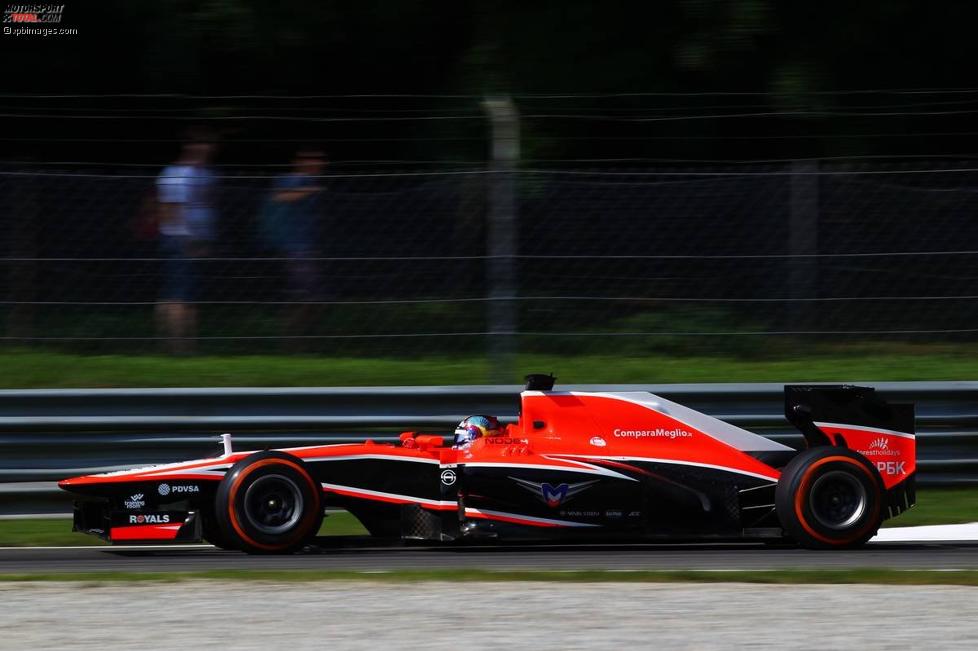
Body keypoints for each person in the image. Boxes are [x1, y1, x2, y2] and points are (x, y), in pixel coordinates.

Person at [155, 127, 217, 354]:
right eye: (199, 143)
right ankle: (177, 349)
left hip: (197, 241)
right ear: (187, 146)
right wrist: (188, 239)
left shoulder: (206, 175)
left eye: (208, 143)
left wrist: (203, 240)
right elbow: (171, 211)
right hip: (179, 241)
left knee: (186, 295)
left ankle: (185, 346)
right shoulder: (175, 175)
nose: (205, 149)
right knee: (179, 296)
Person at [262, 147, 326, 347]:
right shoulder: (294, 179)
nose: (316, 164)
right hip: (294, 247)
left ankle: (294, 339)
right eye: (311, 159)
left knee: (305, 296)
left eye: (319, 160)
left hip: (305, 246)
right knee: (309, 296)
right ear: (298, 161)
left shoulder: (307, 181)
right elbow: (280, 197)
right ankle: (291, 340)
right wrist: (310, 190)